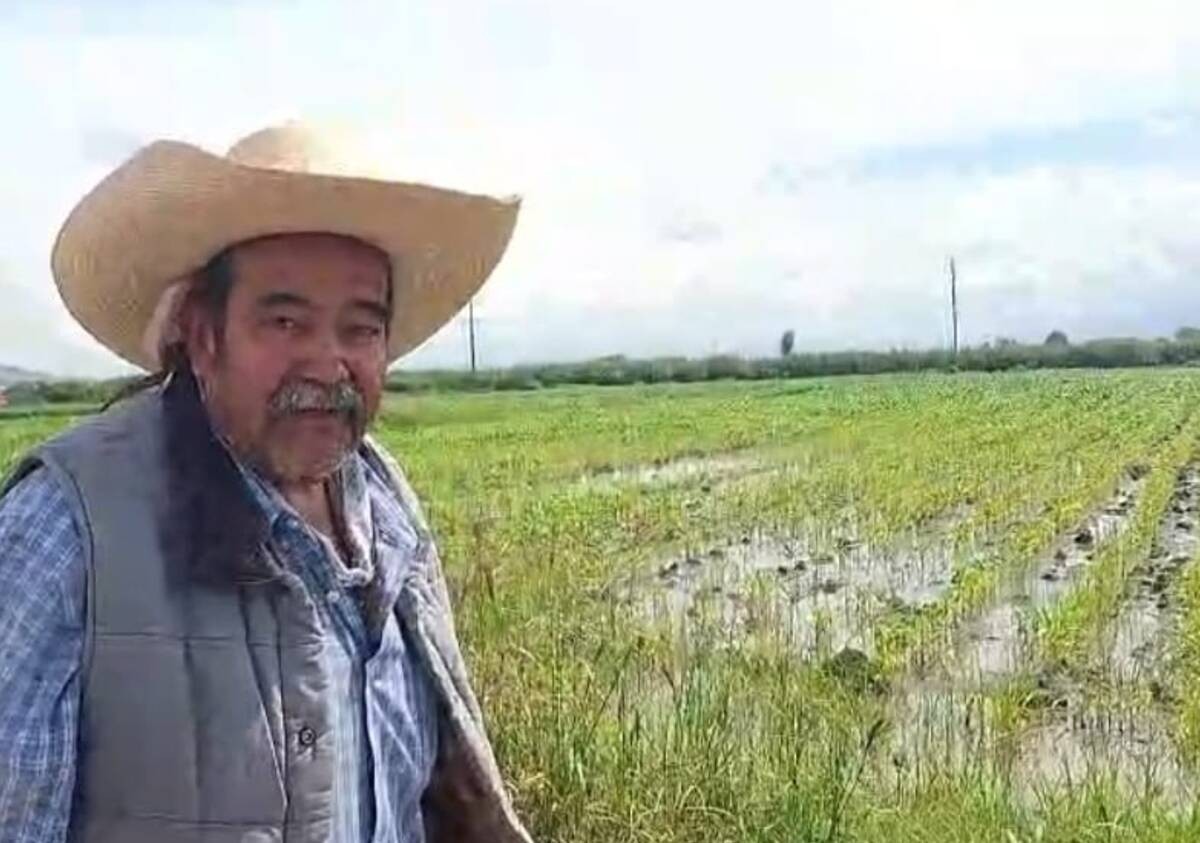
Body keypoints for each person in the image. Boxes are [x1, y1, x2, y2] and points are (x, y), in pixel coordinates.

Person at [0, 124, 532, 843]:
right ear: (202, 332)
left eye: (360, 328)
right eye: (285, 321)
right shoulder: (67, 528)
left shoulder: (386, 510)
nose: (327, 362)